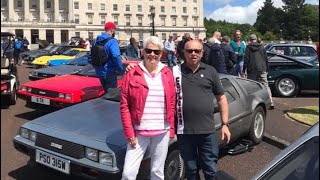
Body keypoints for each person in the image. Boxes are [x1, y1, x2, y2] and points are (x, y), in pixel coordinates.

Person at [120, 36, 176, 180]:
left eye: (156, 52)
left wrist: (171, 129)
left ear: (161, 54)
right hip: (138, 132)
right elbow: (125, 105)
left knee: (157, 172)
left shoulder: (167, 73)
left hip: (162, 130)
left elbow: (172, 102)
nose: (152, 54)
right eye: (149, 51)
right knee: (128, 173)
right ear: (143, 52)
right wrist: (129, 133)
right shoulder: (132, 72)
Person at [173, 40, 231, 179]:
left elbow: (221, 98)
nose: (193, 53)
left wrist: (225, 124)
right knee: (191, 170)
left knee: (210, 169)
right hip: (184, 131)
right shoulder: (174, 72)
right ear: (184, 53)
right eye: (190, 51)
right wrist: (132, 68)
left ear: (202, 53)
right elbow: (152, 70)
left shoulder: (211, 71)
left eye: (197, 51)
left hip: (207, 132)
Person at [88, 22, 123, 93]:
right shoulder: (112, 41)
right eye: (114, 30)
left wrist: (97, 67)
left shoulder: (97, 41)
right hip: (110, 72)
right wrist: (120, 69)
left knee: (105, 93)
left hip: (99, 72)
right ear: (112, 30)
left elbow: (90, 56)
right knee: (111, 95)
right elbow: (116, 56)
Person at [243, 34, 275, 109]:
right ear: (256, 39)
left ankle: (253, 103)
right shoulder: (261, 46)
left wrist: (243, 69)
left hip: (252, 68)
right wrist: (267, 68)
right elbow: (266, 58)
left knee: (251, 85)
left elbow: (246, 59)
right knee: (265, 84)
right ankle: (271, 101)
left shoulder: (248, 47)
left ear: (250, 40)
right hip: (262, 67)